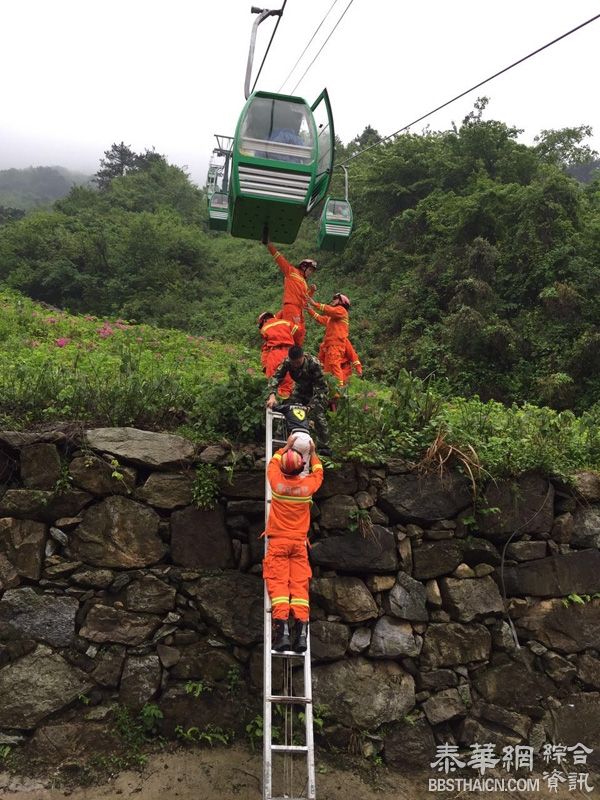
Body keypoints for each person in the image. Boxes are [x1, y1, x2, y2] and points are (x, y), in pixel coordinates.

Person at [263, 435, 323, 652]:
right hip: (299, 545)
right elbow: (318, 472)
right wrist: (313, 452)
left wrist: (286, 447)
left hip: (279, 542)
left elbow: (272, 462)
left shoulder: (277, 484)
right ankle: (301, 636)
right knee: (299, 587)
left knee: (279, 586)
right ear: (300, 469)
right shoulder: (307, 487)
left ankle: (282, 634)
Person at [266, 345, 332, 455]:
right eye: (293, 363)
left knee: (318, 416)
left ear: (303, 358)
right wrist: (272, 395)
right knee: (288, 408)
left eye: (298, 363)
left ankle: (324, 448)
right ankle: (280, 442)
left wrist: (310, 407)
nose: (295, 365)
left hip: (318, 393)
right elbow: (276, 378)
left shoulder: (314, 364)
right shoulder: (287, 362)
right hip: (300, 390)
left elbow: (321, 388)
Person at [265, 241, 317, 346]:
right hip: (292, 307)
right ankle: (287, 350)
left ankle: (295, 354)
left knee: (300, 334)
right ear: (304, 266)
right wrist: (269, 244)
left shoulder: (304, 282)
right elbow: (279, 258)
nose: (310, 272)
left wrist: (311, 291)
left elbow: (305, 299)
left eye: (312, 271)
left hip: (299, 310)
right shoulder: (291, 272)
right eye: (310, 269)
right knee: (294, 332)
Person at [307, 293, 352, 386]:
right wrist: (310, 310)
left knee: (334, 366)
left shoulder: (341, 310)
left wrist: (315, 304)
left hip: (336, 344)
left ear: (342, 302)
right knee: (328, 370)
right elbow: (321, 319)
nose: (333, 300)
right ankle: (330, 391)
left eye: (335, 298)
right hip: (330, 346)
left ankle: (339, 390)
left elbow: (329, 310)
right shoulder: (333, 318)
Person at [258, 311, 296, 399]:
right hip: (290, 352)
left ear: (263, 321)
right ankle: (288, 402)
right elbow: (299, 331)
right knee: (288, 381)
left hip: (275, 353)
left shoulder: (265, 328)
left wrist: (265, 366)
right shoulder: (285, 322)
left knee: (273, 380)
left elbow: (265, 349)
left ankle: (276, 402)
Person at [271, 401, 313, 476]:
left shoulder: (287, 407)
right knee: (305, 469)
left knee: (290, 465)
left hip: (296, 437)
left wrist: (272, 399)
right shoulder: (305, 408)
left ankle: (289, 486)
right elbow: (311, 408)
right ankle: (303, 486)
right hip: (308, 438)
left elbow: (274, 407)